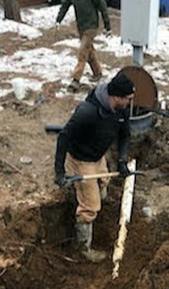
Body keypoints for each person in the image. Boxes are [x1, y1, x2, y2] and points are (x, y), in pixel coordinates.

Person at [54, 73, 135, 262]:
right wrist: (59, 171)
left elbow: (125, 135)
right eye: (128, 99)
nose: (130, 102)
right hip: (81, 160)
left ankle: (92, 205)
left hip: (98, 157)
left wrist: (122, 161)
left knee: (103, 186)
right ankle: (83, 248)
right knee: (91, 206)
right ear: (117, 97)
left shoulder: (121, 110)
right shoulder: (88, 111)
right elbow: (63, 137)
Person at [56, 0, 111, 93]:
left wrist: (107, 25)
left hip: (91, 26)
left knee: (82, 52)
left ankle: (76, 80)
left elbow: (102, 6)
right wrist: (59, 19)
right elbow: (65, 4)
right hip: (81, 26)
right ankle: (97, 72)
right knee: (89, 51)